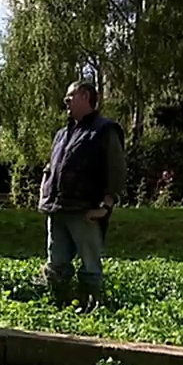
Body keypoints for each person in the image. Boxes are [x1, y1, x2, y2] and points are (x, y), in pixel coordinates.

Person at [38, 80, 127, 312]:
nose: (65, 100)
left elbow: (116, 171)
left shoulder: (104, 130)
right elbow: (51, 167)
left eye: (71, 95)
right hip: (57, 210)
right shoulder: (61, 134)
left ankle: (92, 308)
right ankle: (58, 305)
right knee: (56, 262)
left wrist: (106, 207)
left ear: (86, 96)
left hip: (85, 210)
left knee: (90, 265)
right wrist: (43, 193)